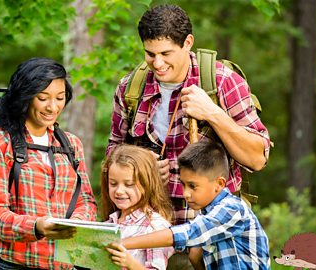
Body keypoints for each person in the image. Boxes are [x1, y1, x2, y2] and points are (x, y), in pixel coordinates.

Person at [106, 4, 271, 224]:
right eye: (150, 54)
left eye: (166, 53)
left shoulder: (222, 82)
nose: (158, 63)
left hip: (210, 226)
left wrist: (213, 113)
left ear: (188, 43)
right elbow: (113, 153)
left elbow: (258, 158)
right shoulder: (130, 88)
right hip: (148, 225)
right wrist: (142, 166)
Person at [0, 57, 97, 269]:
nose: (52, 107)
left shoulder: (71, 144)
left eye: (60, 98)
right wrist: (37, 227)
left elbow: (86, 201)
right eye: (42, 98)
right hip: (14, 264)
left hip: (65, 264)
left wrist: (76, 224)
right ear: (25, 97)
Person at [108, 141, 271, 269]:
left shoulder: (232, 209)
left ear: (219, 184)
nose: (185, 193)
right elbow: (195, 255)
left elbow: (187, 233)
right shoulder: (206, 214)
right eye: (183, 185)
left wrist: (122, 242)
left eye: (193, 186)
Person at [102, 144, 175, 270]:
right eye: (113, 183)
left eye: (129, 184)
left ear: (147, 184)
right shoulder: (109, 223)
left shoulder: (156, 227)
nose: (119, 191)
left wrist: (130, 264)